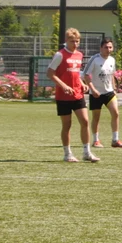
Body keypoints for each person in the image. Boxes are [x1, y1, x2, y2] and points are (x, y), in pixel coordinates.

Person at [46, 28, 99, 163]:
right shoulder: (60, 55)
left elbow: (75, 73)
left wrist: (82, 83)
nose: (75, 44)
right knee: (67, 125)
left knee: (85, 121)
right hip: (63, 96)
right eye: (72, 41)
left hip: (77, 94)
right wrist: (63, 86)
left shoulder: (79, 55)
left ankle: (87, 152)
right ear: (66, 41)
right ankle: (67, 153)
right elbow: (50, 74)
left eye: (77, 41)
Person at [84, 37, 122, 149]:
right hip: (96, 93)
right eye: (106, 47)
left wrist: (114, 89)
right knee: (96, 117)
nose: (108, 49)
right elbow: (86, 75)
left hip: (109, 93)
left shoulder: (112, 60)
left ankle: (115, 140)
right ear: (101, 48)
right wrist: (92, 89)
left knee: (116, 113)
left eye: (110, 47)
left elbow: (111, 74)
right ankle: (96, 140)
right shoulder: (94, 59)